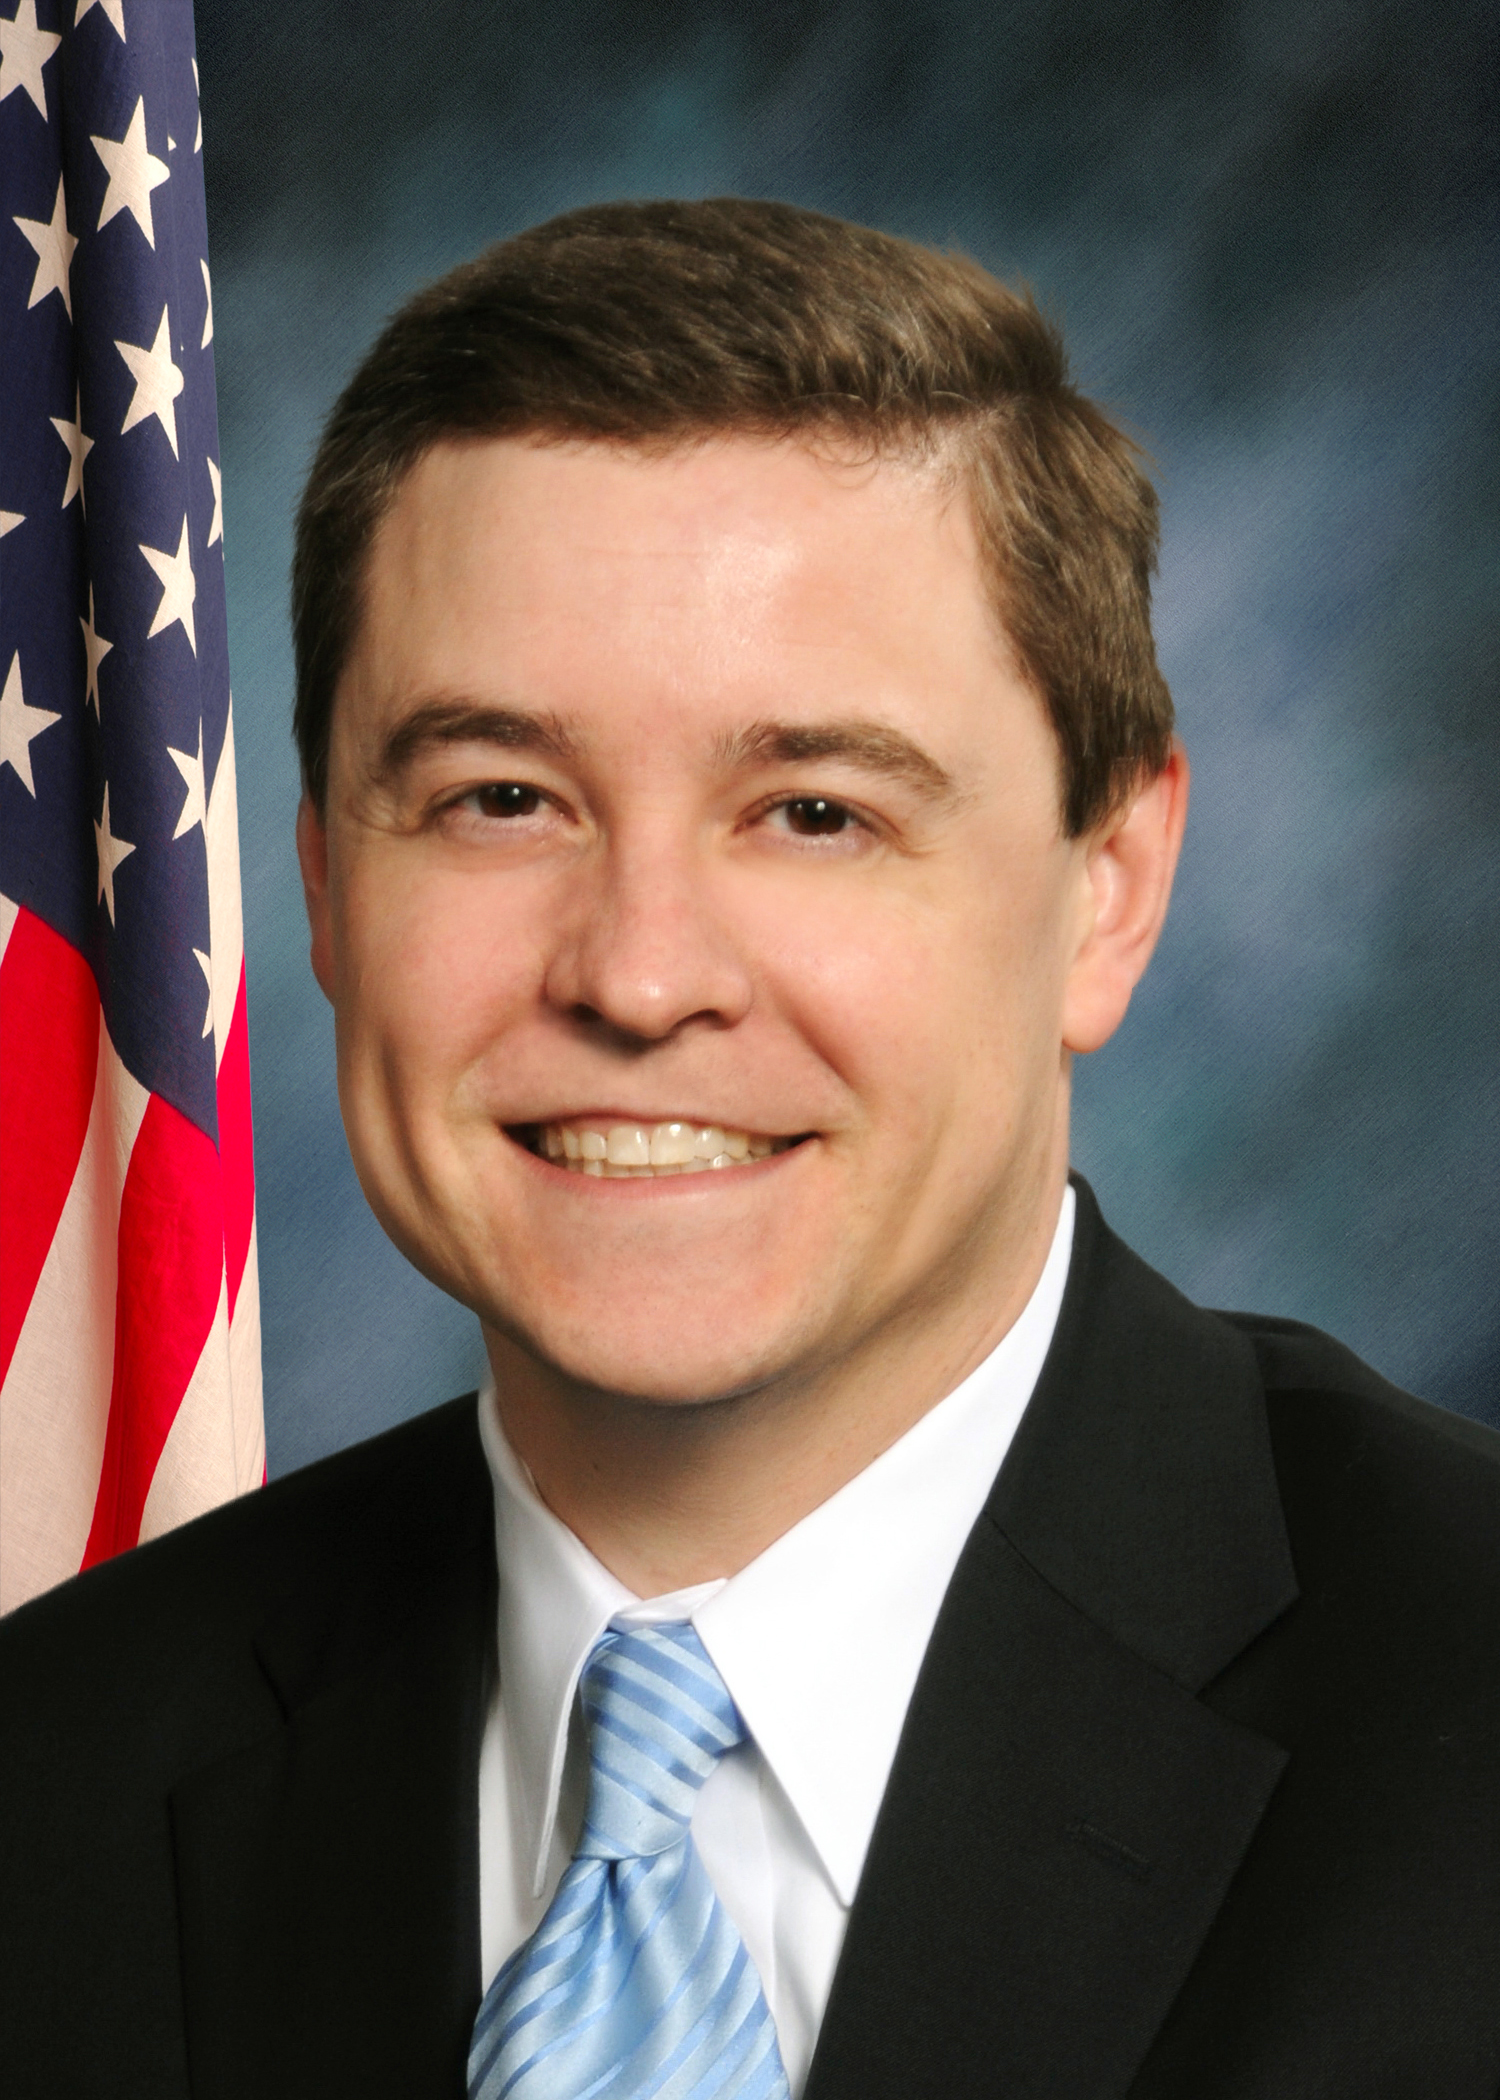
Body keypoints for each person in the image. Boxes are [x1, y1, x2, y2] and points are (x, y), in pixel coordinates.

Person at [3, 197, 1499, 2100]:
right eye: (500, 798)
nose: (640, 976)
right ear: (319, 883)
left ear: (1108, 889)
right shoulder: (52, 1784)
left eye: (812, 812)